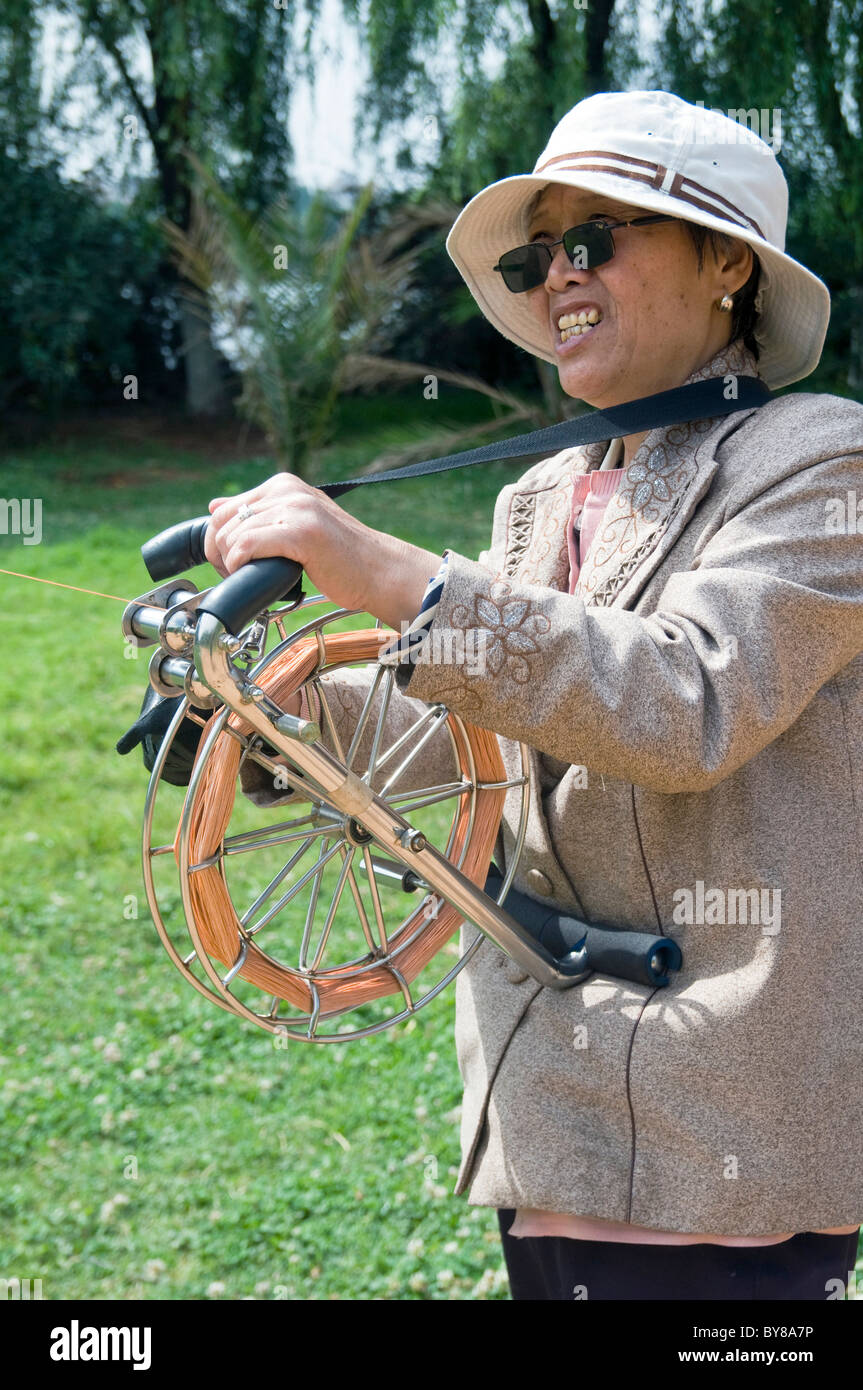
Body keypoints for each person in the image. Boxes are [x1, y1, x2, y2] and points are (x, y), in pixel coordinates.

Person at [204, 91, 863, 1300]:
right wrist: (269, 723)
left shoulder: (822, 460)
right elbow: (490, 768)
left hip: (717, 1139)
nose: (554, 272)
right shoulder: (540, 496)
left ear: (727, 264)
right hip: (544, 1114)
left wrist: (398, 579)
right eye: (533, 253)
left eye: (592, 237)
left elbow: (683, 701)